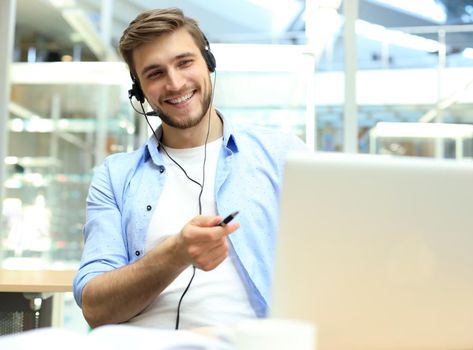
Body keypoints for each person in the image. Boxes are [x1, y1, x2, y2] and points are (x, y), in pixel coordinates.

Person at [73, 7, 307, 330]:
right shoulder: (115, 177)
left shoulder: (282, 156)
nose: (175, 83)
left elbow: (330, 266)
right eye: (155, 73)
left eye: (185, 62)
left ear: (208, 64)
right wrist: (175, 253)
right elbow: (95, 307)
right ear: (139, 91)